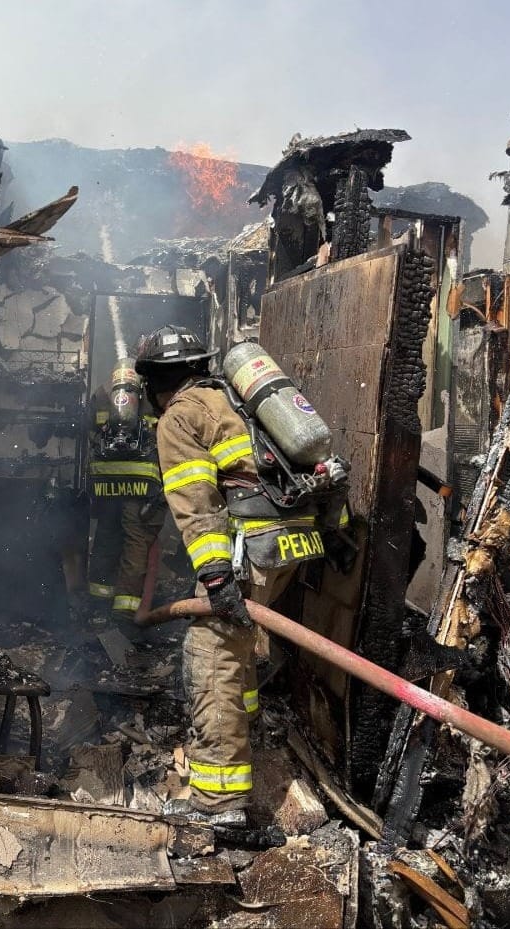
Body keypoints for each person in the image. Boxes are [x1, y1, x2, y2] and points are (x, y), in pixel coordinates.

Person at [135, 325, 339, 827]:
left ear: (154, 382)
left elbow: (196, 504)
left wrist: (216, 577)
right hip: (290, 543)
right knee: (240, 639)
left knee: (209, 653)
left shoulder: (179, 416)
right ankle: (248, 730)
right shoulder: (232, 400)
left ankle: (219, 798)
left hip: (251, 545)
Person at [87, 364, 167, 626]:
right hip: (140, 480)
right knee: (135, 539)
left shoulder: (101, 393)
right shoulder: (151, 395)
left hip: (106, 480)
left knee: (106, 534)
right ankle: (125, 607)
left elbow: (90, 431)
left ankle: (98, 600)